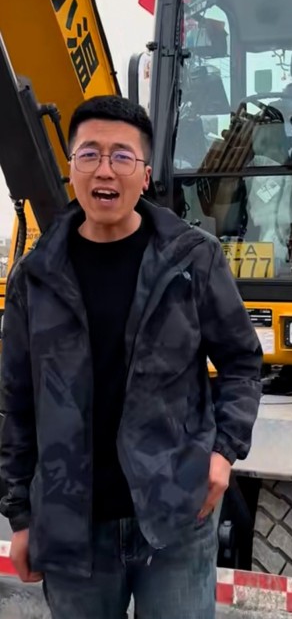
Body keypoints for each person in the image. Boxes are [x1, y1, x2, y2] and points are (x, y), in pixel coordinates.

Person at [0, 95, 264, 618]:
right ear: (72, 169)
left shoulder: (190, 260)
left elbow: (242, 362)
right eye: (89, 154)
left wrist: (223, 454)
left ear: (144, 176)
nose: (105, 169)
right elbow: (18, 402)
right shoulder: (35, 278)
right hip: (73, 527)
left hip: (176, 516)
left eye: (122, 156)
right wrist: (21, 517)